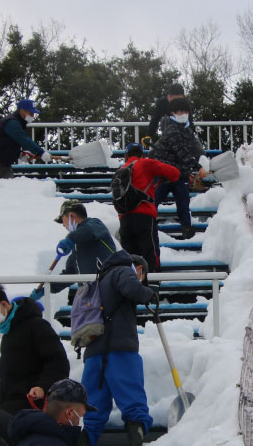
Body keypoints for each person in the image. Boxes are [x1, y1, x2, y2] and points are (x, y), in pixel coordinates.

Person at [82, 251, 159, 446]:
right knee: (131, 398)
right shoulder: (124, 270)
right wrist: (149, 293)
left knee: (94, 406)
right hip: (120, 347)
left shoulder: (101, 279)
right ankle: (137, 441)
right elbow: (132, 288)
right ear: (139, 269)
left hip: (94, 351)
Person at [0, 282, 70, 414]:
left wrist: (42, 387)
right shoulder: (9, 331)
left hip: (31, 406)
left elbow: (59, 362)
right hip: (9, 405)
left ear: (4, 304)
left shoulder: (37, 326)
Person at [34, 199, 117, 307]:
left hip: (107, 288)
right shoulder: (77, 247)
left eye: (63, 220)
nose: (64, 226)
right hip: (90, 296)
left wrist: (70, 239)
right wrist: (47, 289)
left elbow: (88, 231)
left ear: (71, 216)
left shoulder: (95, 224)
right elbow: (70, 274)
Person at [116, 142, 181, 273]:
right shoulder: (145, 163)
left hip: (125, 220)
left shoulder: (120, 170)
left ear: (126, 155)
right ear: (142, 154)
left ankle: (131, 288)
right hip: (144, 216)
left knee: (130, 260)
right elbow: (175, 173)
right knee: (150, 254)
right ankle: (153, 287)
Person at [150, 97, 208, 239]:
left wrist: (188, 171)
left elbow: (185, 154)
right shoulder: (171, 129)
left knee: (183, 204)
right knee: (153, 202)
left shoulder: (187, 130)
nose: (183, 114)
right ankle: (148, 226)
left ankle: (187, 228)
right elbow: (181, 152)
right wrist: (198, 167)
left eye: (185, 111)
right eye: (180, 111)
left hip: (179, 174)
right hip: (163, 173)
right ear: (173, 113)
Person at [0, 99, 53, 180]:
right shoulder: (11, 122)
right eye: (30, 113)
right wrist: (40, 152)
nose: (32, 116)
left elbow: (8, 143)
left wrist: (19, 154)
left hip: (4, 162)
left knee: (9, 189)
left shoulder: (18, 123)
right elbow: (23, 139)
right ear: (22, 111)